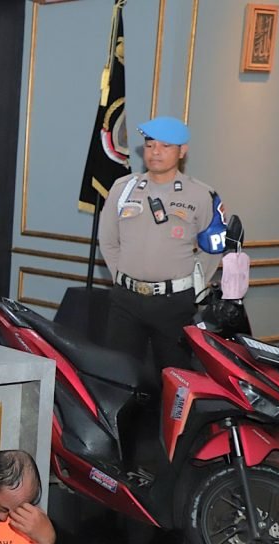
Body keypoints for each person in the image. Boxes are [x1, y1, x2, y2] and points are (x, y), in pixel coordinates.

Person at [99, 116, 225, 372]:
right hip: (126, 302)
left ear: (182, 151)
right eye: (150, 145)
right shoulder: (123, 189)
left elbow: (213, 248)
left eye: (165, 146)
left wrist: (191, 286)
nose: (155, 152)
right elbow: (108, 241)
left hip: (174, 304)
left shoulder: (201, 195)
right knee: (119, 375)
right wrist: (123, 277)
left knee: (175, 377)